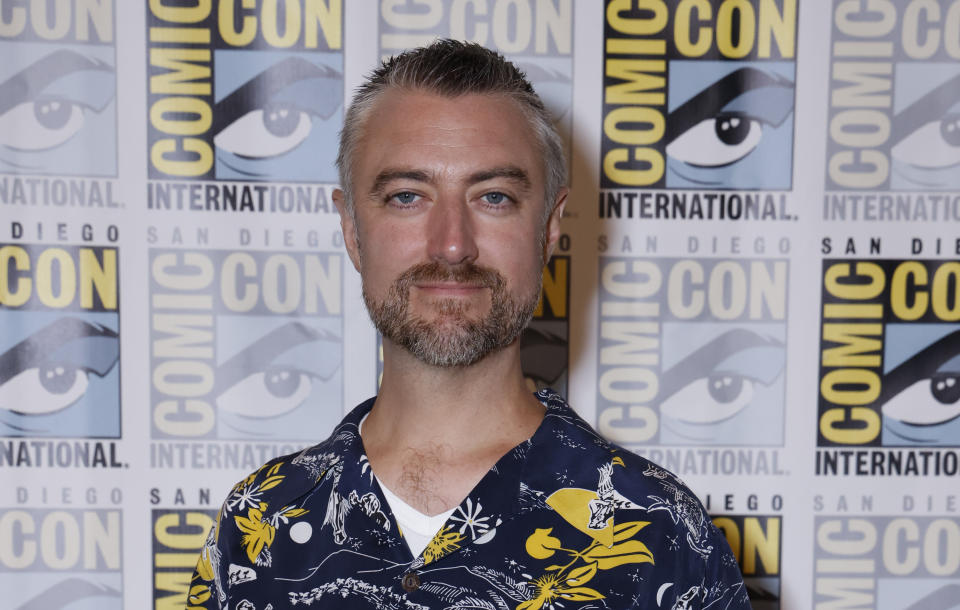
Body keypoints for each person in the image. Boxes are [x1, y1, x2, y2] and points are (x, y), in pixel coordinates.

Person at [189, 39, 750, 610]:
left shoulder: (659, 532)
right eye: (408, 196)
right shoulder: (259, 525)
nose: (452, 244)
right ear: (352, 228)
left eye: (494, 197)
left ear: (551, 227)